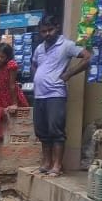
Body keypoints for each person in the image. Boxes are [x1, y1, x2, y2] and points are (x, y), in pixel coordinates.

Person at [31, 15, 91, 177]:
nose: (47, 34)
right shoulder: (39, 48)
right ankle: (46, 163)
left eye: (50, 30)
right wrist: (38, 77)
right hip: (39, 95)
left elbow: (87, 57)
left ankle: (57, 165)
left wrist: (69, 74)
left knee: (55, 130)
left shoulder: (66, 45)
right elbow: (34, 63)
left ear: (57, 27)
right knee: (42, 131)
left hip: (55, 94)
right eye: (43, 31)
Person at [0, 44, 28, 142]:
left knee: (14, 121)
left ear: (8, 57)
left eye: (2, 57)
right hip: (0, 97)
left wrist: (15, 104)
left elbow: (12, 86)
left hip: (11, 96)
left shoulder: (11, 65)